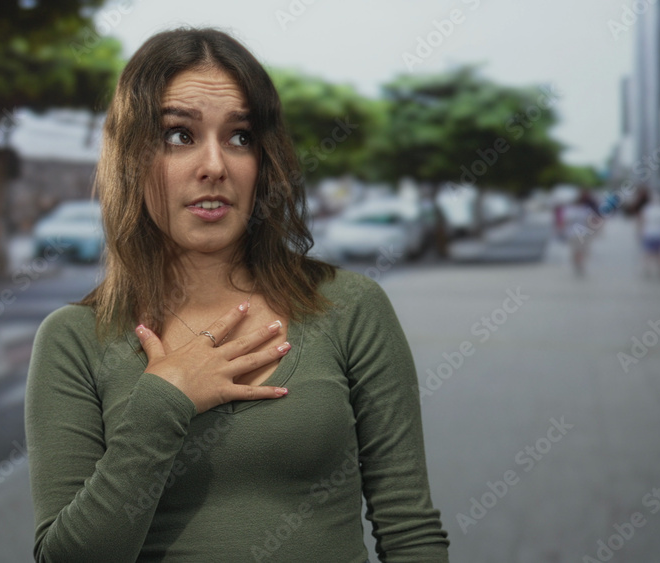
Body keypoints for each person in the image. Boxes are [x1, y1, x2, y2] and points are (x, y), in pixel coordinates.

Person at [24, 28, 449, 562]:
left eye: (240, 137)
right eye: (179, 135)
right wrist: (164, 401)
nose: (215, 165)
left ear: (264, 162)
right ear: (131, 157)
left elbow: (410, 532)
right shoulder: (73, 341)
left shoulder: (351, 308)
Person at [636, 190, 660, 280]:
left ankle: (647, 270)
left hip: (649, 233)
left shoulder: (647, 209)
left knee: (648, 254)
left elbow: (642, 221)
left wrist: (640, 232)